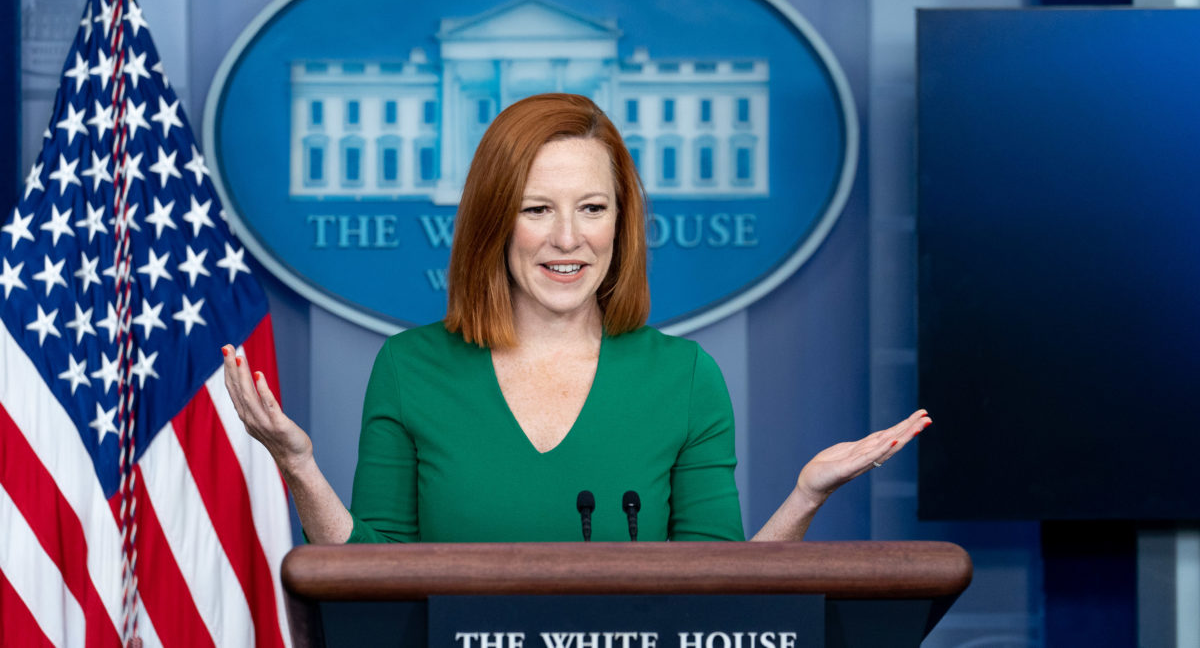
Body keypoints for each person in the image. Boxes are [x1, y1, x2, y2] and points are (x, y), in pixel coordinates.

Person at [222, 93, 931, 544]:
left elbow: (719, 595)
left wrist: (805, 496)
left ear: (620, 225)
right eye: (537, 210)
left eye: (592, 208)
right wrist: (300, 468)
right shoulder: (411, 368)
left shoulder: (684, 377)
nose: (569, 237)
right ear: (494, 226)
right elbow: (373, 582)